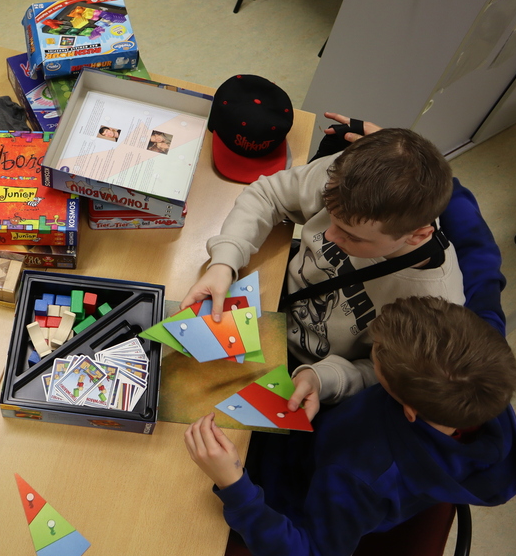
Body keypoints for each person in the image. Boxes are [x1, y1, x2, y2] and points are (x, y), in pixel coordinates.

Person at [184, 296, 516, 556]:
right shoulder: (483, 378)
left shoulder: (361, 473)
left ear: (407, 409)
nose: (370, 346)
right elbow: (480, 264)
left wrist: (235, 487)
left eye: (375, 355)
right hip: (305, 435)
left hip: (274, 498)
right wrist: (320, 378)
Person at [182, 116, 463, 420]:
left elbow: (380, 372)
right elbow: (268, 194)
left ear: (417, 236)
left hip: (306, 367)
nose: (327, 235)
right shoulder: (349, 175)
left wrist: (322, 378)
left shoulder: (435, 306)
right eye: (330, 216)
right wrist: (224, 261)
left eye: (352, 236)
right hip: (268, 296)